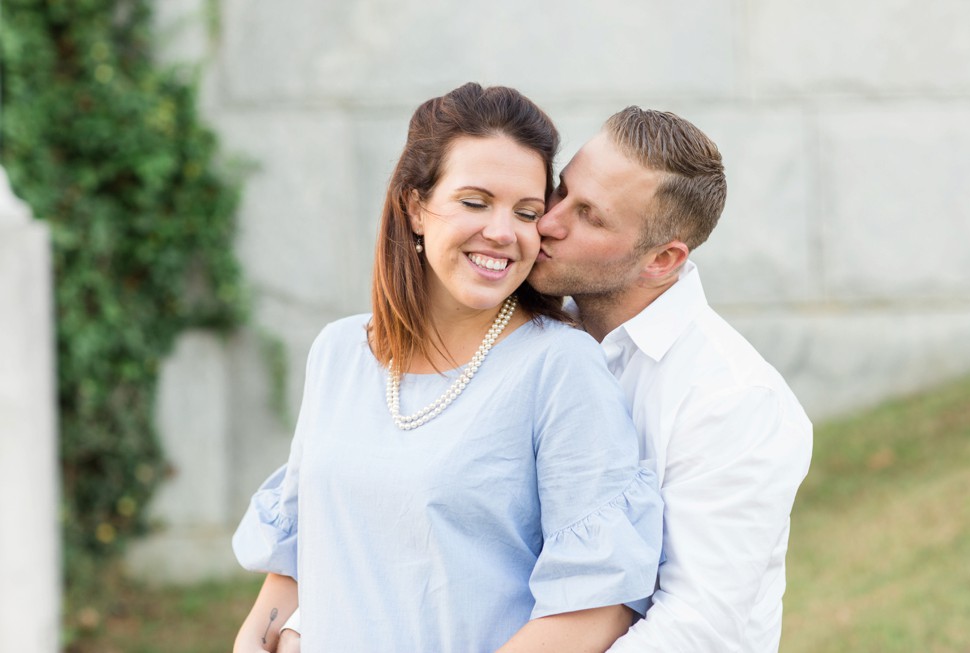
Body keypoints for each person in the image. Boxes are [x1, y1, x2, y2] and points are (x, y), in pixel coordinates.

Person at [231, 83, 664, 653]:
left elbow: (600, 605)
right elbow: (294, 566)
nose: (504, 233)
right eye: (475, 201)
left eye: (527, 212)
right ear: (415, 207)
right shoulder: (338, 353)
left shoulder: (559, 366)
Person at [528, 107, 813, 652]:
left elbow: (694, 628)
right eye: (561, 191)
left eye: (589, 216)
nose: (548, 222)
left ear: (662, 260)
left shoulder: (734, 400)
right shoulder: (533, 338)